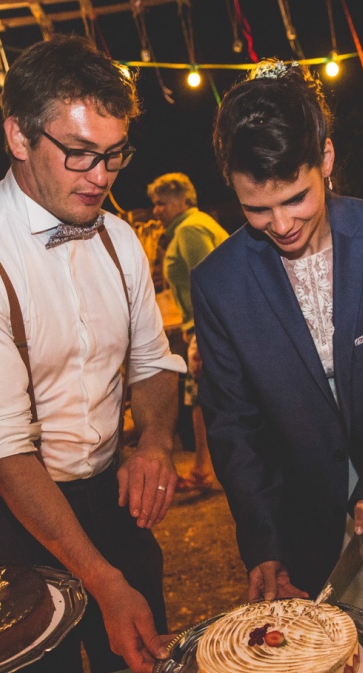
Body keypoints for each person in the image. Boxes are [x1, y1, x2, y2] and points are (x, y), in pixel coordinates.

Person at [0, 36, 185, 673]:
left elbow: (151, 361)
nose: (101, 176)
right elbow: (4, 448)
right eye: (80, 154)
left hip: (103, 488)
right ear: (18, 137)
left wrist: (154, 441)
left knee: (144, 672)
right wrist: (99, 580)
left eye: (114, 155)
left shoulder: (119, 239)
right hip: (3, 509)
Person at [191, 61, 363, 615]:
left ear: (326, 159)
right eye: (256, 210)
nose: (281, 224)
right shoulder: (218, 284)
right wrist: (264, 542)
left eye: (296, 198)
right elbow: (234, 427)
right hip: (303, 533)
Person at [147, 172, 228, 490]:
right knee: (201, 398)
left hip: (210, 328)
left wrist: (204, 333)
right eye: (154, 205)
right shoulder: (189, 227)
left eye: (161, 203)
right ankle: (202, 468)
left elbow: (213, 282)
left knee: (202, 398)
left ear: (183, 200)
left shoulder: (191, 229)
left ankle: (205, 469)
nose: (156, 211)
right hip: (204, 327)